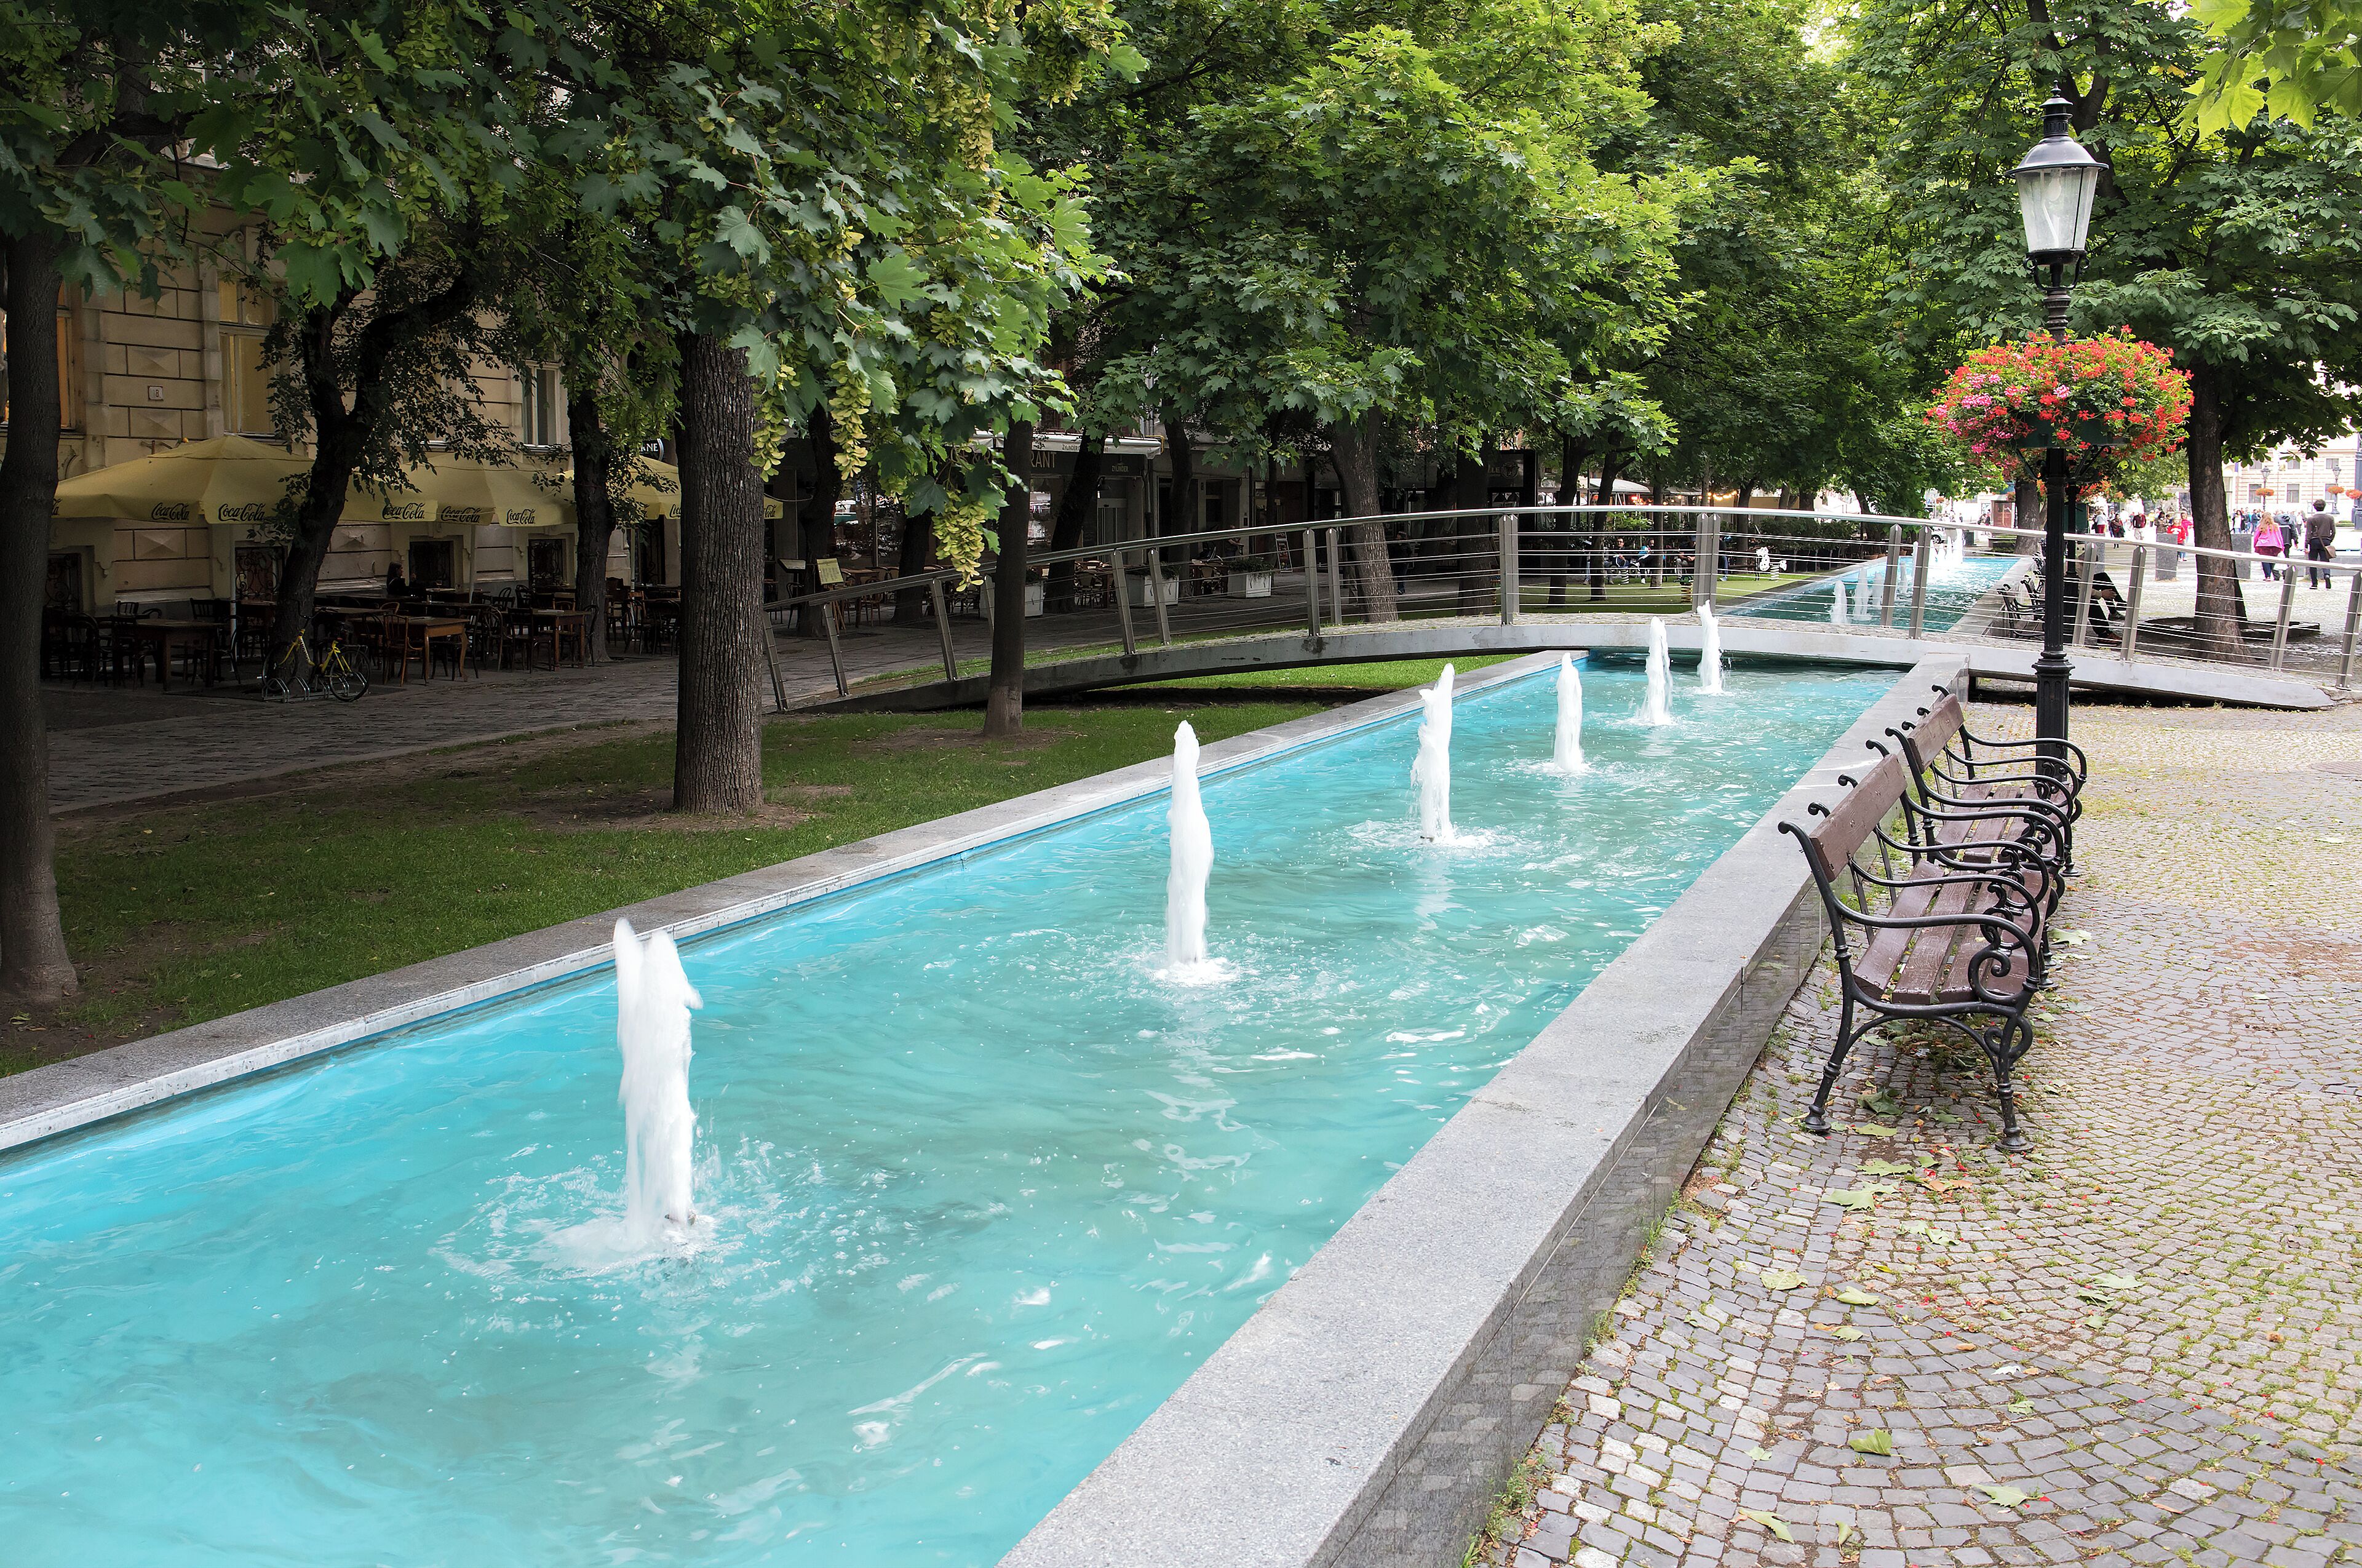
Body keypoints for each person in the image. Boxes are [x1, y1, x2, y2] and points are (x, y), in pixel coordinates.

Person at [2305, 499, 2338, 588]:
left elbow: (2308, 533)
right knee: (2325, 560)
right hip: (2326, 541)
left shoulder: (2311, 519)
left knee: (2313, 562)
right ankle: (2327, 575)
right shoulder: (2330, 518)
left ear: (2315, 508)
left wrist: (2306, 545)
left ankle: (2314, 583)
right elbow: (2334, 532)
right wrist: (2329, 540)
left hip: (2314, 541)